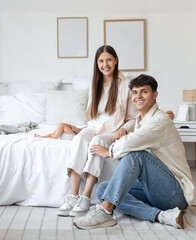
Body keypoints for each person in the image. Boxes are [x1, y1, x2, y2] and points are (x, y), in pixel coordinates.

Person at [73, 74, 195, 229]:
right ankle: (161, 216)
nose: (138, 96)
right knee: (105, 189)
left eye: (144, 92)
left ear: (155, 95)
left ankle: (105, 211)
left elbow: (132, 143)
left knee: (136, 155)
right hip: (155, 190)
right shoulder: (140, 119)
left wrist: (108, 152)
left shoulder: (159, 121)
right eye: (135, 92)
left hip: (175, 195)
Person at [57, 45, 137, 217]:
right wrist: (82, 129)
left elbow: (133, 118)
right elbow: (92, 116)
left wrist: (124, 128)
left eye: (108, 59)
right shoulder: (95, 84)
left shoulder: (126, 85)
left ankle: (85, 197)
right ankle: (72, 196)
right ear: (97, 63)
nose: (105, 64)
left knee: (96, 143)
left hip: (113, 130)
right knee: (78, 140)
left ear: (115, 61)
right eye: (101, 61)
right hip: (94, 126)